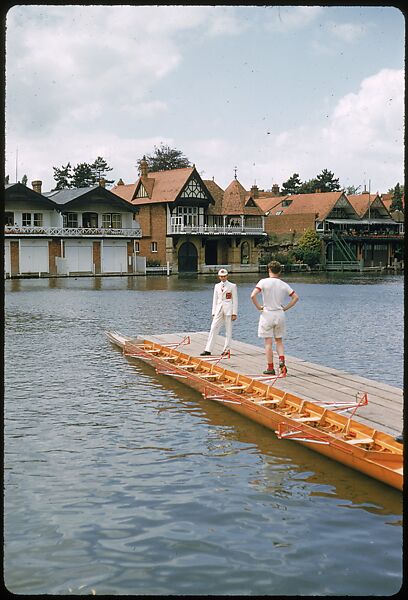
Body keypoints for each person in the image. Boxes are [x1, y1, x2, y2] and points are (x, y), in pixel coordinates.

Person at [251, 260, 299, 375]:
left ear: (269, 270)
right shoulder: (283, 284)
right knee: (279, 341)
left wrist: (259, 307)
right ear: (280, 271)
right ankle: (282, 361)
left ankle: (270, 368)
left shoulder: (263, 282)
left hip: (267, 313)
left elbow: (253, 295)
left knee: (268, 342)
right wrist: (285, 308)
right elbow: (295, 297)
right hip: (279, 314)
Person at [200, 268, 238, 356]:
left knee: (228, 330)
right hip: (219, 309)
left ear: (227, 276)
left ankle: (226, 349)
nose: (223, 278)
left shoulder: (232, 286)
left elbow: (235, 300)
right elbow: (215, 299)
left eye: (224, 276)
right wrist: (213, 311)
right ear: (219, 277)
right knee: (213, 328)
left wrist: (234, 313)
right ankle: (208, 349)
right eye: (221, 277)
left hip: (229, 310)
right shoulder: (217, 286)